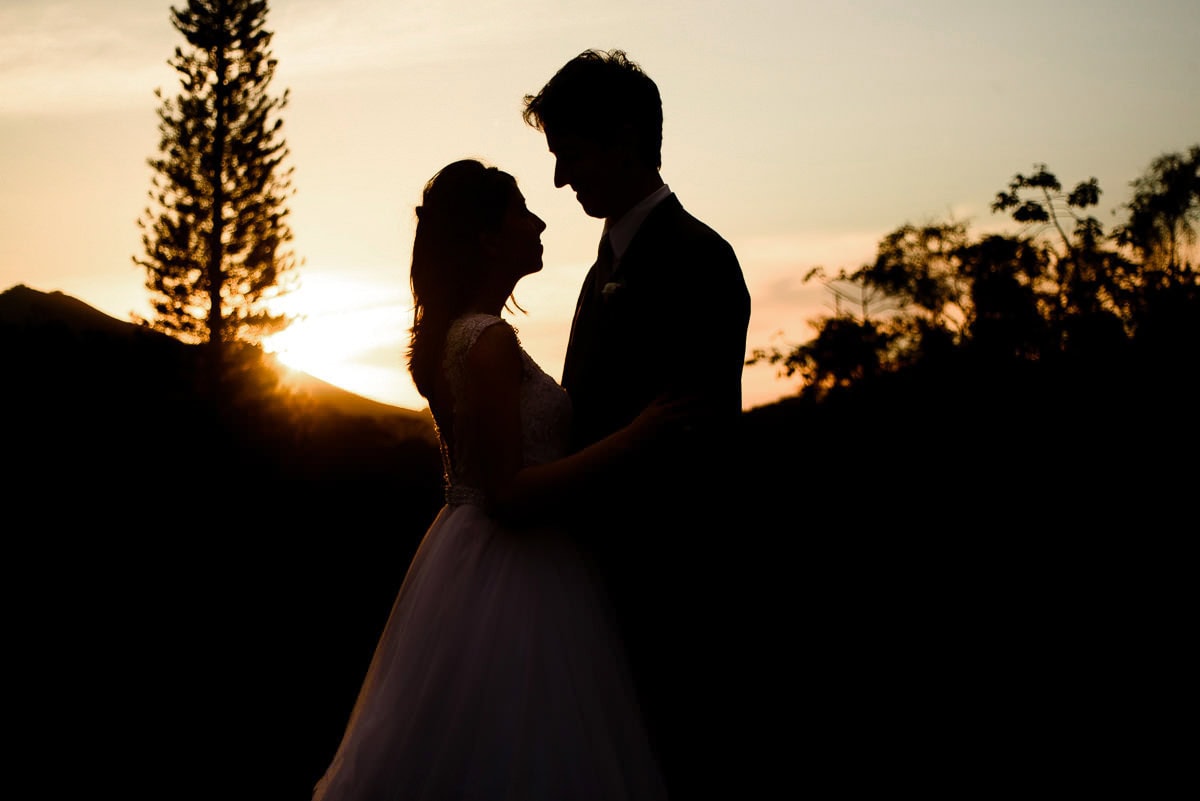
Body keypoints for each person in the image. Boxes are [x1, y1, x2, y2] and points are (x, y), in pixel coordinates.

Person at [311, 158, 687, 801]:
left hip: (466, 559)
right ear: (488, 237)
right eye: (521, 212)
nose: (539, 222)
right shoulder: (486, 341)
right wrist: (640, 435)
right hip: (516, 568)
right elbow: (509, 491)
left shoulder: (454, 336)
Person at [522, 49, 752, 800]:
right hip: (591, 585)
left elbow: (695, 439)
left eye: (571, 154)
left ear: (625, 138)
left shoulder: (700, 259)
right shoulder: (599, 269)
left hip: (665, 592)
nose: (560, 179)